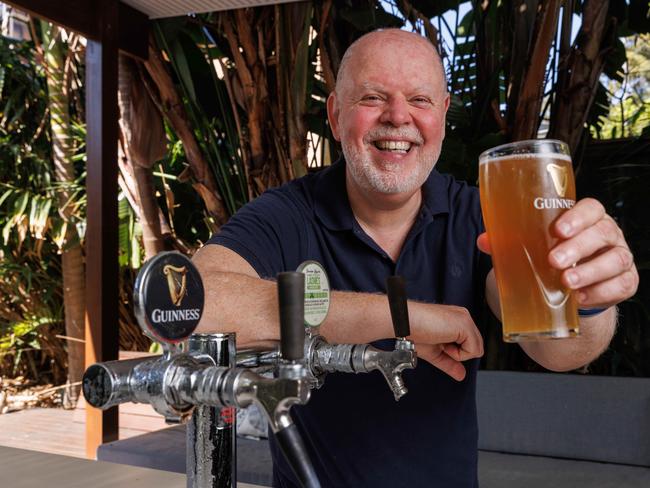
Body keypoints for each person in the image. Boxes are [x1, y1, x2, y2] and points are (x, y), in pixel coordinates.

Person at [193, 29, 638, 488]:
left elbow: (556, 348)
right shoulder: (288, 213)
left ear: (443, 115)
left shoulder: (481, 214)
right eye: (372, 97)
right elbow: (195, 304)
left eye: (420, 99)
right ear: (335, 113)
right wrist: (401, 318)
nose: (398, 117)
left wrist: (587, 298)